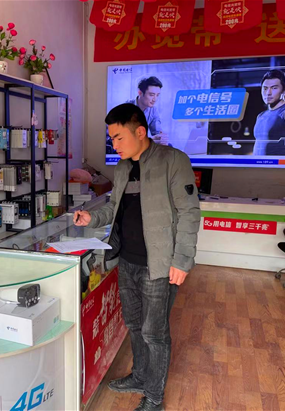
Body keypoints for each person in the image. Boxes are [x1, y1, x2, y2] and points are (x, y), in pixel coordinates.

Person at [74, 104, 200, 411]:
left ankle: (154, 398)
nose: (114, 144)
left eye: (118, 137)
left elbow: (189, 213)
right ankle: (141, 376)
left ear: (140, 132)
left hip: (159, 265)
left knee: (154, 333)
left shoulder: (173, 161)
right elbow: (113, 207)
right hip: (127, 261)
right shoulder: (122, 168)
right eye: (111, 139)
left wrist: (182, 261)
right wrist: (91, 218)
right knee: (133, 324)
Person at [126, 76, 168, 144]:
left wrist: (161, 138)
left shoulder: (153, 110)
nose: (155, 99)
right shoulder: (126, 108)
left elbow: (157, 133)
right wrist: (151, 140)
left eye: (157, 95)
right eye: (151, 95)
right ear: (140, 93)